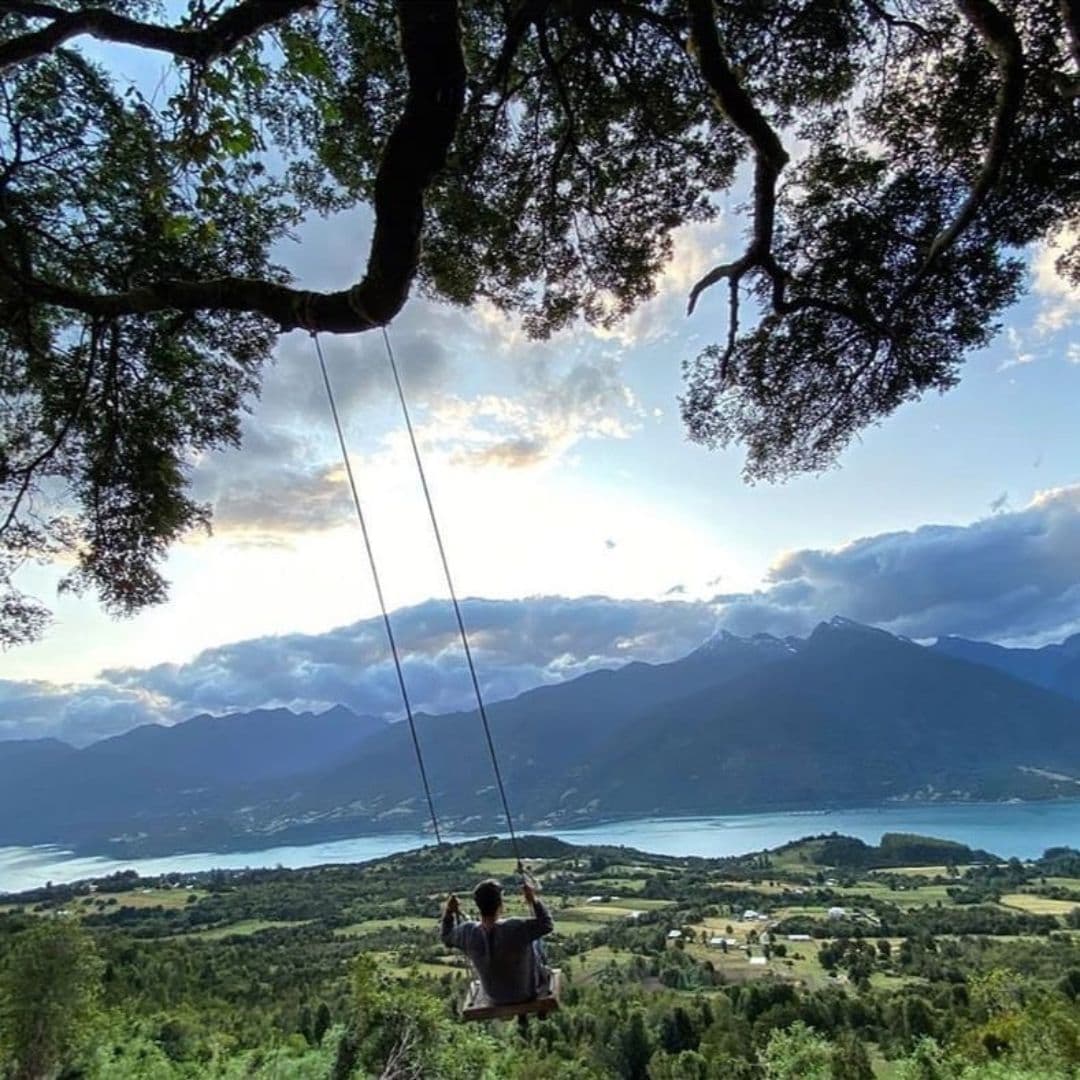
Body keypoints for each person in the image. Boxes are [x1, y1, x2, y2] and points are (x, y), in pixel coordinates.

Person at [441, 877, 554, 1009]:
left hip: (495, 997)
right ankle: (543, 973)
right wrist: (533, 900)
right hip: (526, 993)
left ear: (478, 905)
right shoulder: (516, 927)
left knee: (529, 937)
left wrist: (449, 911)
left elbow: (446, 937)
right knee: (535, 939)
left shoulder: (467, 931)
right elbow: (547, 924)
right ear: (500, 904)